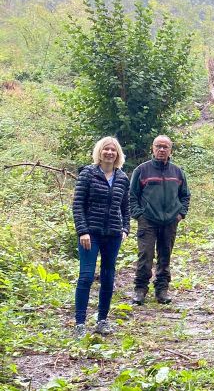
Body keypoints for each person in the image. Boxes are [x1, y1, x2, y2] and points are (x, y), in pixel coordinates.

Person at [72, 137, 130, 337]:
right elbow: (78, 205)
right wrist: (83, 231)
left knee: (108, 277)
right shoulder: (88, 173)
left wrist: (125, 229)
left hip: (113, 234)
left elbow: (126, 207)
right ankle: (80, 323)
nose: (109, 152)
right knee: (86, 276)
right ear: (100, 151)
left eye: (113, 150)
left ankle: (102, 320)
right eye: (106, 149)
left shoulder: (122, 177)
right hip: (91, 234)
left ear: (118, 154)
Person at [130, 135, 190, 305]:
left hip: (170, 220)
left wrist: (180, 214)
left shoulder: (178, 172)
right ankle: (140, 289)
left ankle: (162, 290)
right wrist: (139, 215)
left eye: (165, 147)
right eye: (158, 146)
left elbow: (185, 195)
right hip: (148, 220)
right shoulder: (142, 170)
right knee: (145, 255)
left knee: (165, 256)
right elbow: (132, 195)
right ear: (152, 148)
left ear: (170, 150)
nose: (162, 150)